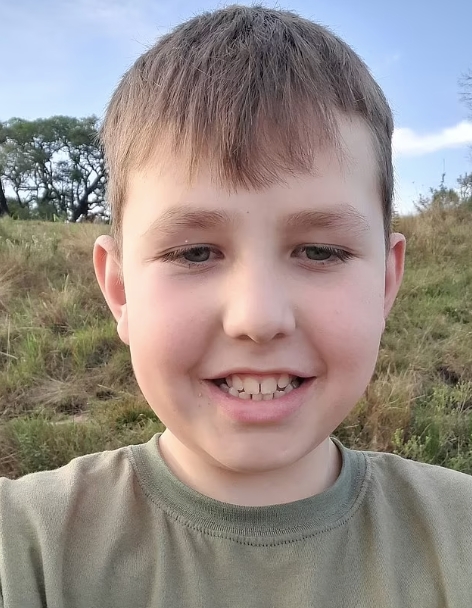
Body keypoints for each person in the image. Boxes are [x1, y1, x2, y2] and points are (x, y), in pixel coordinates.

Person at [1, 5, 471, 607]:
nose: (258, 317)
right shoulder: (26, 548)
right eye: (195, 253)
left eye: (320, 251)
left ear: (385, 281)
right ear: (119, 291)